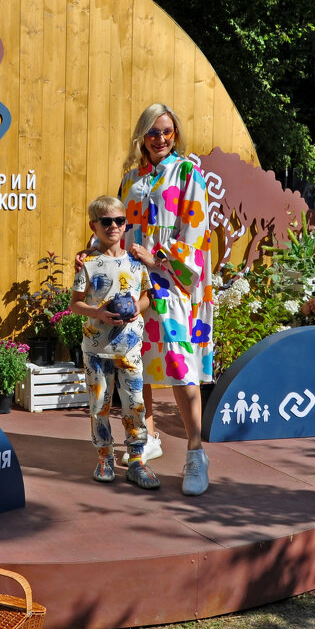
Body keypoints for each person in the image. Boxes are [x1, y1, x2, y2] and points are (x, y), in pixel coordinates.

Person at [117, 102, 215, 495]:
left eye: (167, 132)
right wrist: (94, 256)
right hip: (134, 281)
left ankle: (195, 453)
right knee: (135, 359)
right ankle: (149, 436)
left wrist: (155, 256)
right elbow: (119, 227)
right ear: (142, 135)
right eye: (153, 132)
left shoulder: (187, 172)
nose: (160, 139)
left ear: (176, 135)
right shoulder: (130, 179)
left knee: (179, 364)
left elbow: (196, 234)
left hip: (171, 282)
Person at [70, 195, 159, 489]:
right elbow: (75, 304)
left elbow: (147, 296)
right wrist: (98, 313)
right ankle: (104, 458)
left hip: (129, 348)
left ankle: (136, 460)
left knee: (134, 404)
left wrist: (137, 307)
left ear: (125, 224)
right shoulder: (88, 264)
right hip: (96, 350)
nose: (113, 227)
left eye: (119, 221)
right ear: (94, 225)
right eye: (106, 221)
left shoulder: (135, 263)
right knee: (100, 405)